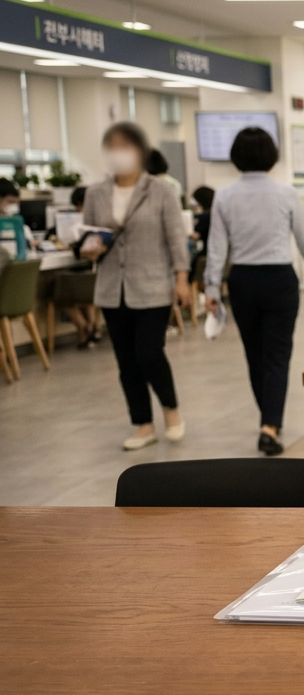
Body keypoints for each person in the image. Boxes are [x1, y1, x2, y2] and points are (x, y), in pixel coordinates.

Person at [204, 127, 304, 456]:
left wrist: (211, 286)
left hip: (242, 281)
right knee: (277, 355)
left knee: (254, 354)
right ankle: (269, 425)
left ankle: (268, 421)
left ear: (236, 157)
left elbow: (217, 247)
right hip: (279, 280)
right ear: (272, 155)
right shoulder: (285, 194)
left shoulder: (224, 196)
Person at [85, 122, 190, 451]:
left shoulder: (160, 191)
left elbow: (176, 238)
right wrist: (89, 248)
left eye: (126, 146)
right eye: (113, 147)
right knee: (126, 360)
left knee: (149, 352)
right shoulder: (95, 193)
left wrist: (182, 278)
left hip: (153, 284)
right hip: (111, 287)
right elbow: (87, 234)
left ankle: (170, 409)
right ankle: (143, 424)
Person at [56, 186, 101, 348]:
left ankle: (82, 326)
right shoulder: (103, 222)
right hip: (97, 282)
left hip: (87, 283)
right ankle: (92, 325)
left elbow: (78, 250)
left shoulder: (81, 225)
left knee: (61, 292)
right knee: (87, 291)